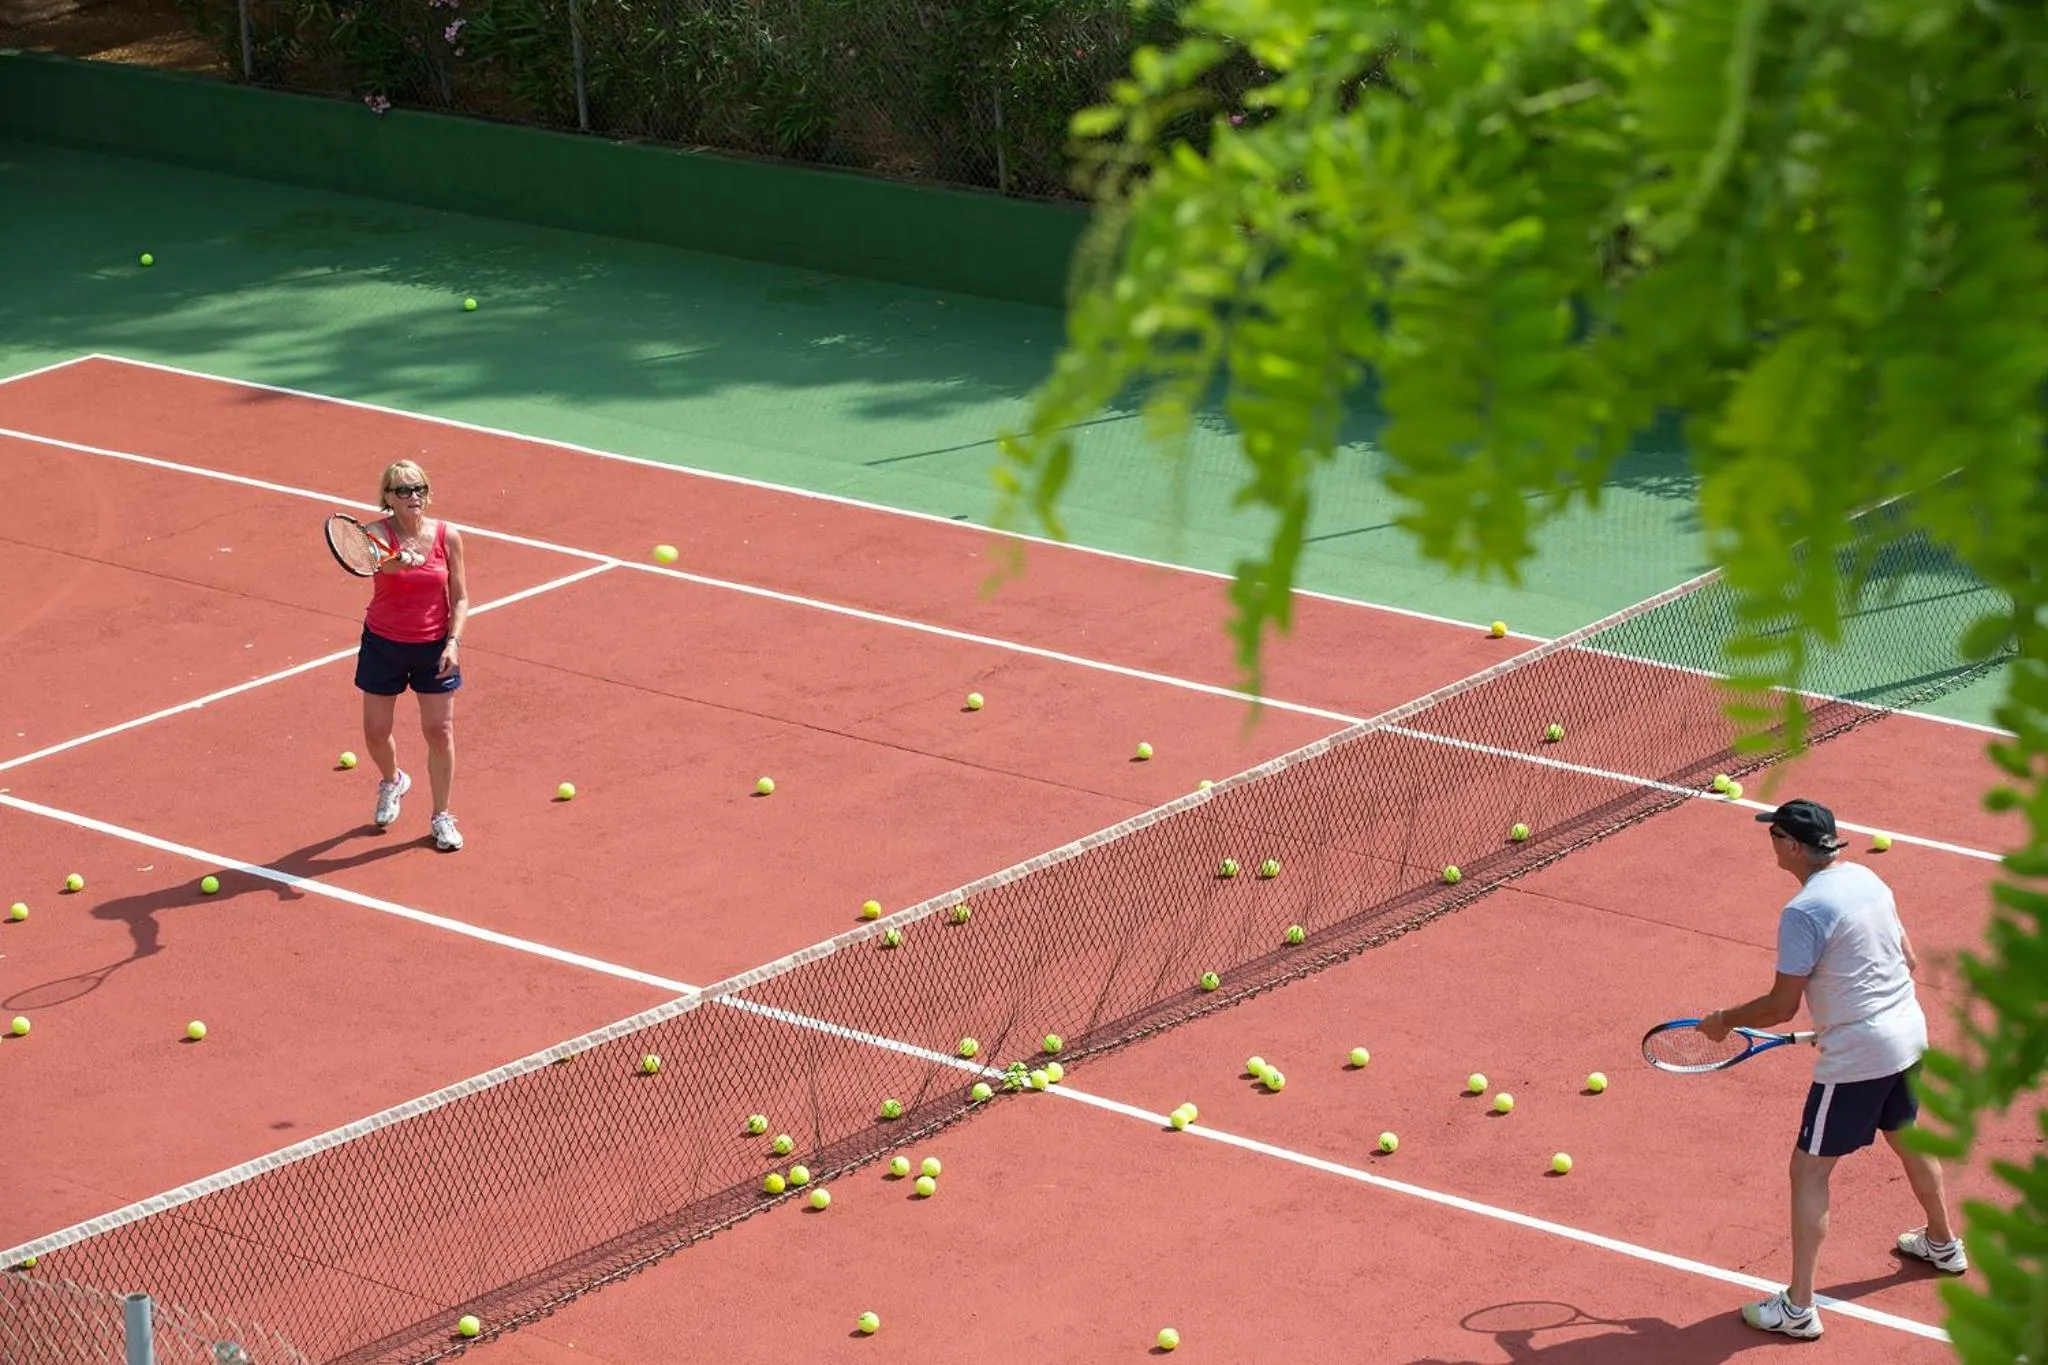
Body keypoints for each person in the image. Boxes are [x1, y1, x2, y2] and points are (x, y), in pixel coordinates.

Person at [1698, 798, 1964, 1340]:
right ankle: (1943, 1243)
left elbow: (1780, 1007)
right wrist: (1847, 1013)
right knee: (1905, 1132)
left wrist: (1724, 1020)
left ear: (1795, 847)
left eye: (1774, 836)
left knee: (1809, 1171)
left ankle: (1798, 1308)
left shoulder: (1803, 912)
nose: (1770, 843)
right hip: (1908, 1033)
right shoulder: (1867, 877)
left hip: (1860, 1053)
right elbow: (1907, 961)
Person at [353, 459, 469, 851]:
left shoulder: (448, 536)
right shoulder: (374, 534)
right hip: (383, 644)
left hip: (433, 646)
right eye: (402, 490)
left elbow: (461, 597)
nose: (413, 496)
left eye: (419, 488)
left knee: (439, 731)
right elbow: (381, 567)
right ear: (388, 496)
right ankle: (393, 780)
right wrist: (397, 560)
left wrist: (453, 641)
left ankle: (441, 816)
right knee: (375, 731)